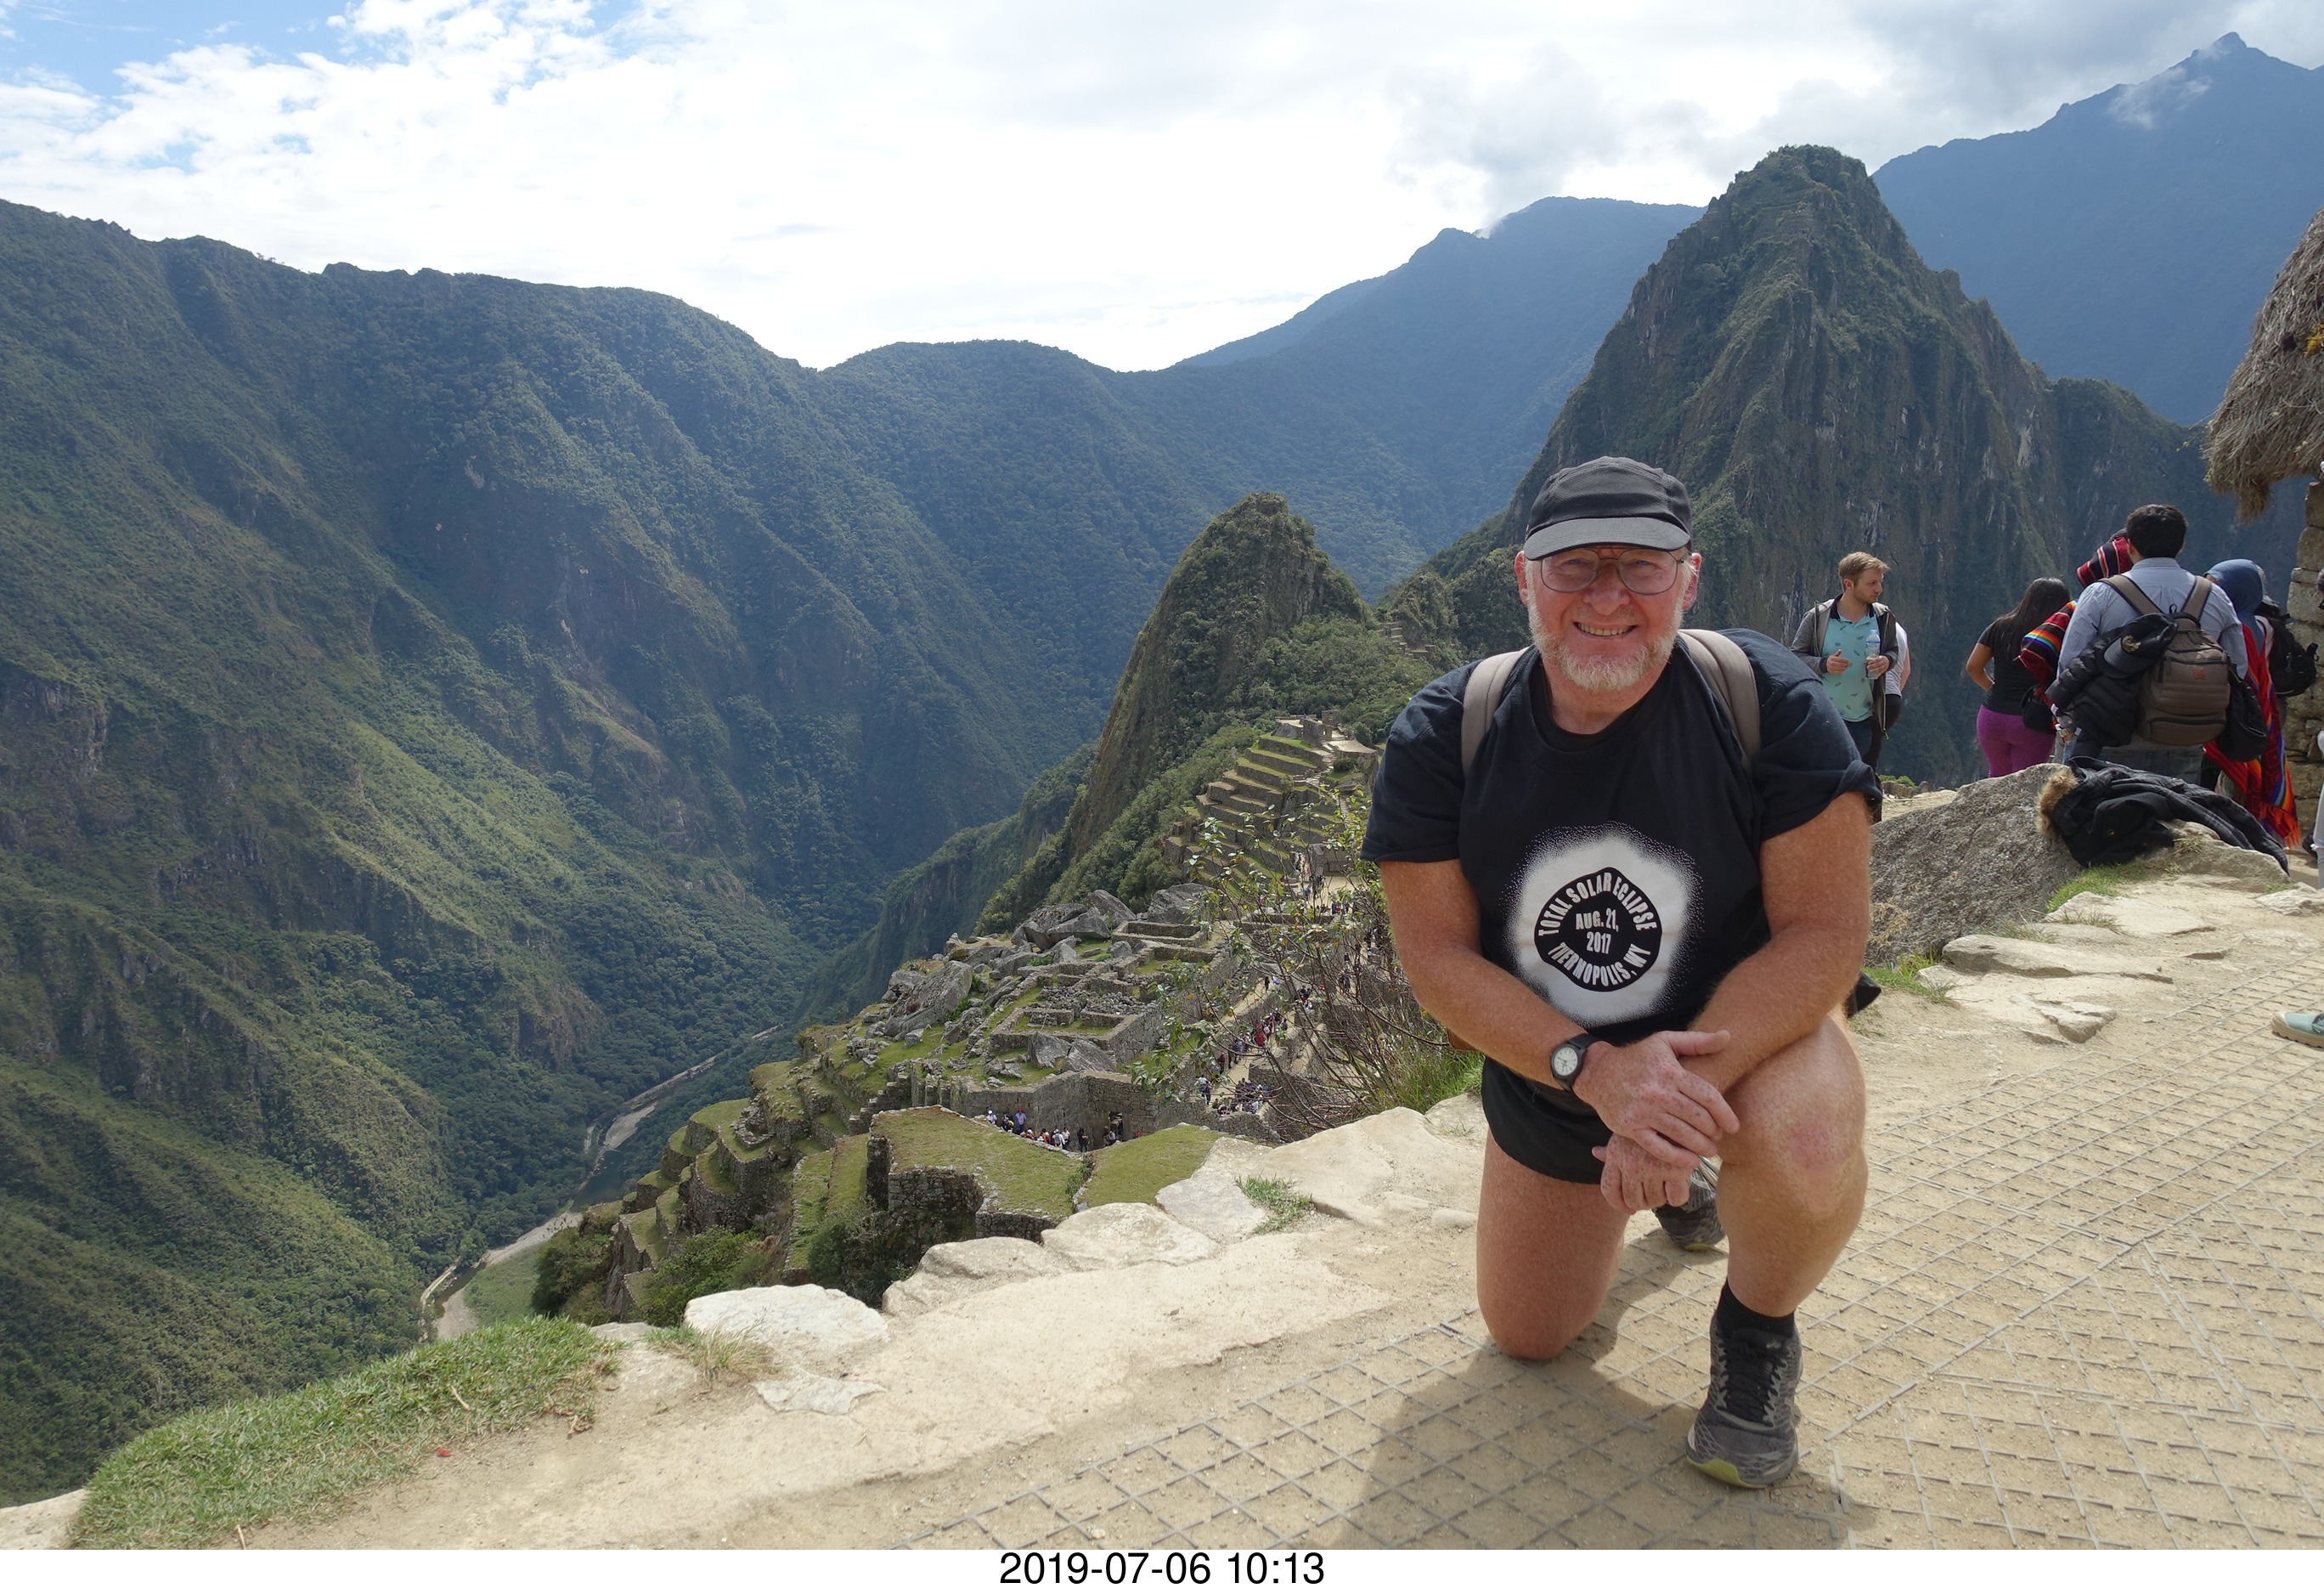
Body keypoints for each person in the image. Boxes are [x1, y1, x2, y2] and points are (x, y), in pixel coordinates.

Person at [1364, 454, 1878, 1490]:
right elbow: (1437, 959)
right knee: (1530, 1333)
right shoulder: (1446, 736)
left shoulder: (1768, 705)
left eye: (1640, 567)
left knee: (1810, 1140)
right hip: (1559, 1064)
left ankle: (1757, 1328)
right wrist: (1596, 1072)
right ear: (1524, 580)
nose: (1607, 597)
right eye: (1575, 567)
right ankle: (1676, 1182)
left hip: (1741, 1049)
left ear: (1689, 579)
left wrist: (1667, 1105)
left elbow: (1823, 934)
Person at [2052, 505, 2249, 780]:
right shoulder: (2214, 596)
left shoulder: (2101, 594)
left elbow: (2071, 663)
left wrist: (2068, 721)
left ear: (2130, 546)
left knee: (2100, 806)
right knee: (2176, 807)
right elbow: (2237, 667)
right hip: (2184, 739)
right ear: (2181, 545)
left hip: (2111, 736)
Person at [2203, 561, 2300, 845]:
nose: (2211, 592)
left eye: (2217, 586)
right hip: (2249, 716)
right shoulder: (2256, 625)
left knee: (2222, 787)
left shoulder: (2239, 628)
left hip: (2231, 719)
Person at [1791, 551, 1909, 769]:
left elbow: (1893, 651)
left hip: (1863, 719)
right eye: (1871, 583)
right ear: (1849, 584)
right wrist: (1824, 664)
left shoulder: (1883, 617)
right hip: (1822, 716)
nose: (1879, 589)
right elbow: (1795, 657)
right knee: (1822, 775)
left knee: (1854, 778)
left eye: (1880, 582)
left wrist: (1886, 661)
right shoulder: (1819, 617)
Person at [1965, 578, 2069, 776]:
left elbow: (1973, 667)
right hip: (2033, 720)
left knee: (1996, 777)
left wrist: (1993, 688)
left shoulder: (1999, 627)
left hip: (1992, 716)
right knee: (2026, 782)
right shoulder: (2059, 634)